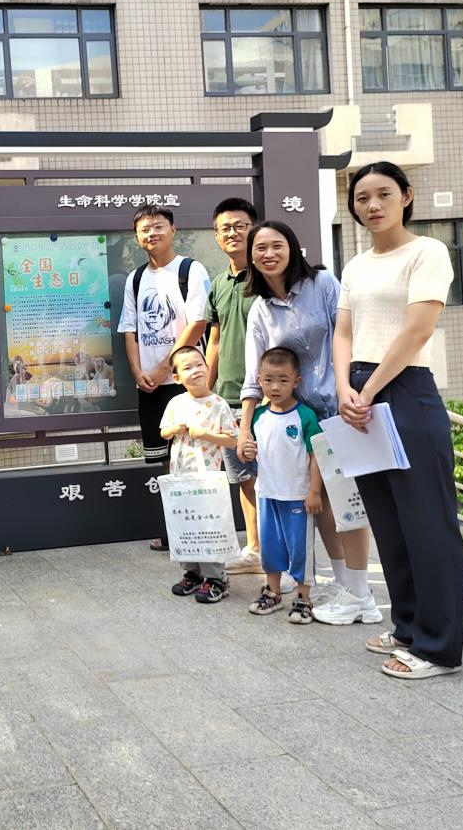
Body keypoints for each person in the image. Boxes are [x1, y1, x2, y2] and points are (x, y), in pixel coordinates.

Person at [335, 161, 463, 679]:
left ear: (407, 196)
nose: (372, 205)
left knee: (428, 523)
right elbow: (344, 331)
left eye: (383, 194)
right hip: (359, 391)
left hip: (405, 388)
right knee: (389, 523)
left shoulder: (427, 252)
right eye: (362, 197)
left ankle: (439, 648)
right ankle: (408, 627)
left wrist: (365, 391)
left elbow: (417, 331)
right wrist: (344, 387)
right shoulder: (355, 266)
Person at [235, 220, 377, 623]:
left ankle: (361, 592)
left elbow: (349, 337)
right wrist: (245, 429)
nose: (268, 254)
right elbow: (255, 376)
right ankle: (346, 585)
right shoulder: (260, 310)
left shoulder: (323, 284)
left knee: (348, 503)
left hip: (342, 411)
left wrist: (354, 390)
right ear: (251, 257)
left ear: (293, 247)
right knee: (324, 506)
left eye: (276, 245)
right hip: (302, 422)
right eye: (260, 248)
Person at [117, 204, 210, 552]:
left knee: (194, 456)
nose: (151, 234)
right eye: (144, 229)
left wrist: (162, 368)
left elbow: (198, 322)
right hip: (150, 386)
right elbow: (129, 329)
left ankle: (199, 531)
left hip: (185, 384)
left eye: (158, 226)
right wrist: (138, 371)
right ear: (136, 237)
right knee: (164, 461)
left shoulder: (190, 270)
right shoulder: (135, 278)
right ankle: (176, 532)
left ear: (173, 230)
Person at [202, 197, 263, 577]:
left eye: (240, 225)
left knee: (275, 479)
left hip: (270, 398)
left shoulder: (269, 275)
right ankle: (255, 550)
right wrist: (206, 395)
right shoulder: (219, 284)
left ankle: (284, 557)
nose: (232, 233)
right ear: (216, 236)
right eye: (225, 228)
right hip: (227, 397)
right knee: (244, 480)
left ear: (254, 228)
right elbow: (215, 341)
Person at [242, 348, 323, 625]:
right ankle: (273, 592)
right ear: (259, 380)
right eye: (269, 380)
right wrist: (247, 451)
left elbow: (316, 456)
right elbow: (249, 452)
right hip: (267, 494)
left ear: (296, 381)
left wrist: (314, 492)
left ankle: (303, 598)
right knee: (271, 548)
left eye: (283, 380)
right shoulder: (257, 416)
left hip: (298, 496)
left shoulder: (306, 416)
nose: (275, 387)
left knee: (301, 550)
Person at [158, 345, 238, 604]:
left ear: (208, 366)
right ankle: (192, 572)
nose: (195, 371)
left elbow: (233, 439)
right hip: (181, 476)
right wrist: (175, 429)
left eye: (198, 365)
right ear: (177, 377)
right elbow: (163, 432)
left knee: (208, 523)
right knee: (185, 521)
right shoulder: (176, 402)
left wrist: (204, 434)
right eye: (187, 368)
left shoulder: (219, 404)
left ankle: (216, 577)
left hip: (207, 479)